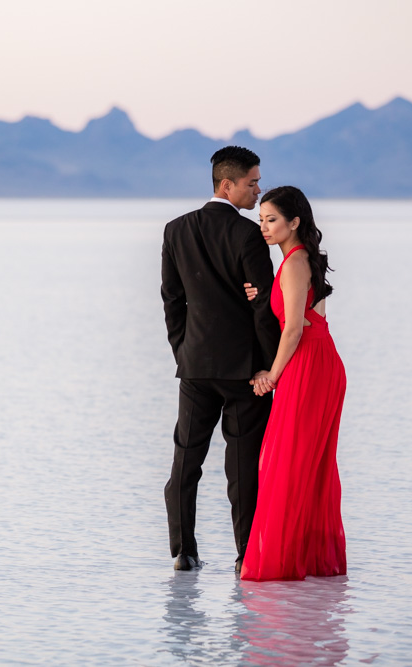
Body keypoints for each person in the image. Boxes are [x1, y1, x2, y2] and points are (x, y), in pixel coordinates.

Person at [161, 146, 281, 572]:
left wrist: (183, 351)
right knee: (242, 468)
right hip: (246, 371)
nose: (257, 190)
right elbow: (264, 308)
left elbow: (172, 302)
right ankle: (245, 556)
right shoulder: (248, 234)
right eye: (252, 182)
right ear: (226, 184)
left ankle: (183, 551)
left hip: (194, 368)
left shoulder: (175, 230)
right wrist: (269, 365)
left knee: (185, 462)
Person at [239, 185, 347, 581]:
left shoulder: (297, 263)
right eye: (261, 219)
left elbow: (295, 330)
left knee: (286, 461)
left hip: (308, 365)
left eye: (272, 220)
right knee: (300, 462)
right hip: (320, 361)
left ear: (295, 222)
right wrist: (264, 295)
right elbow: (305, 314)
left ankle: (284, 563)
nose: (263, 227)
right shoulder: (298, 262)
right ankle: (306, 559)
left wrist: (272, 375)